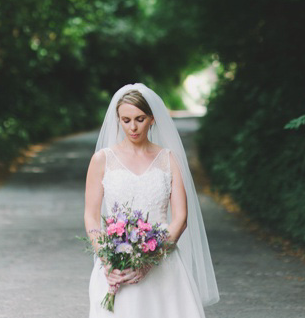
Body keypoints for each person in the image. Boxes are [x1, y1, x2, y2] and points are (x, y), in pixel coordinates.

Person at [84, 84, 219, 316]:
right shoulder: (102, 160)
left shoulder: (169, 159)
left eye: (140, 119)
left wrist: (149, 261)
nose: (133, 127)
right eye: (126, 120)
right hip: (117, 265)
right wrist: (107, 260)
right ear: (118, 120)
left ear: (152, 119)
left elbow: (181, 218)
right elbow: (91, 215)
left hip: (163, 265)